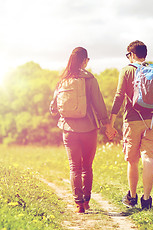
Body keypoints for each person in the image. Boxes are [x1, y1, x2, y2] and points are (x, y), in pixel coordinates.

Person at [50, 47, 116, 213]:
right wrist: (107, 124)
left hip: (68, 129)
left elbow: (53, 107)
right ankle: (86, 201)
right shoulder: (90, 79)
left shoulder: (63, 80)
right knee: (87, 166)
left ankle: (78, 204)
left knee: (74, 167)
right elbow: (99, 104)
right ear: (85, 61)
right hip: (89, 128)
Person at [110, 40, 153, 209]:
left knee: (133, 160)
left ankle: (132, 197)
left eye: (128, 55)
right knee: (148, 158)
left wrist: (111, 122)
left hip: (132, 121)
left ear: (132, 55)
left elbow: (119, 96)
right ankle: (147, 199)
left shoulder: (127, 70)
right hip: (152, 121)